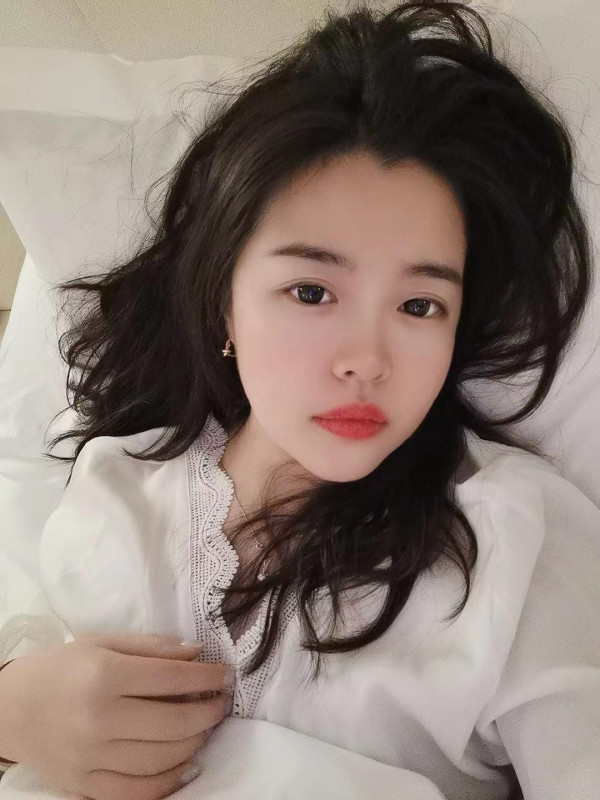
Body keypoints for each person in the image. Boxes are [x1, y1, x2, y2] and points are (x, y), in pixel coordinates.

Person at [0, 2, 599, 799]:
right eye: (311, 291)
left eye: (419, 305)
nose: (367, 362)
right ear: (223, 302)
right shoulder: (117, 487)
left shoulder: (513, 549)